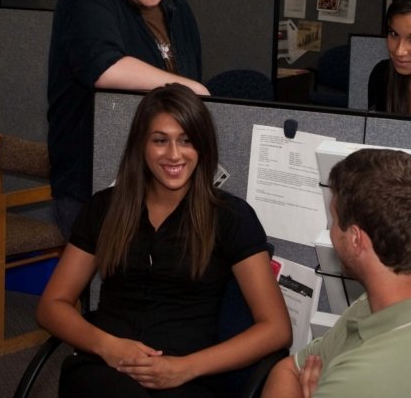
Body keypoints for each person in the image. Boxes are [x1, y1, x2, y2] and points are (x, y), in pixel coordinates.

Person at [37, 84, 292, 398]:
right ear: (141, 146)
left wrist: (185, 368)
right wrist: (108, 346)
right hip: (105, 368)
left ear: (202, 146)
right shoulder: (105, 208)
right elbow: (51, 306)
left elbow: (276, 328)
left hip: (189, 376)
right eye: (160, 140)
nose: (174, 154)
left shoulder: (231, 217)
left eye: (186, 140)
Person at [261, 148, 411, 398]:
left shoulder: (369, 379)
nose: (332, 232)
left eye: (334, 221)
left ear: (356, 239)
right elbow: (288, 369)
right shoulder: (395, 301)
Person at [47, 0, 209, 238]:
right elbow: (105, 68)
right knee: (101, 273)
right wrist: (192, 89)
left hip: (160, 182)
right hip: (96, 182)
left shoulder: (177, 7)